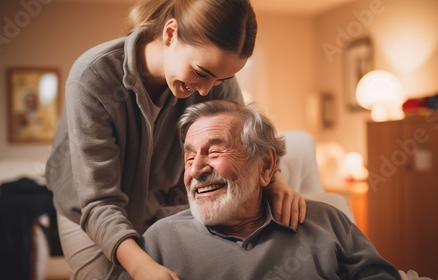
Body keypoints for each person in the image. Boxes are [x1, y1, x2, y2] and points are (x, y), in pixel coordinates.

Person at [44, 0, 305, 279]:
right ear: (170, 34)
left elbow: (244, 139)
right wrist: (141, 266)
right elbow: (99, 201)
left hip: (158, 203)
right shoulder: (93, 76)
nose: (206, 91)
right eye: (201, 73)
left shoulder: (216, 79)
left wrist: (276, 182)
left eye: (219, 80)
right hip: (90, 211)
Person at [121, 100, 402, 279]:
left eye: (215, 151)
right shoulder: (161, 240)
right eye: (190, 156)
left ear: (266, 165)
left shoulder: (325, 221)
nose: (195, 171)